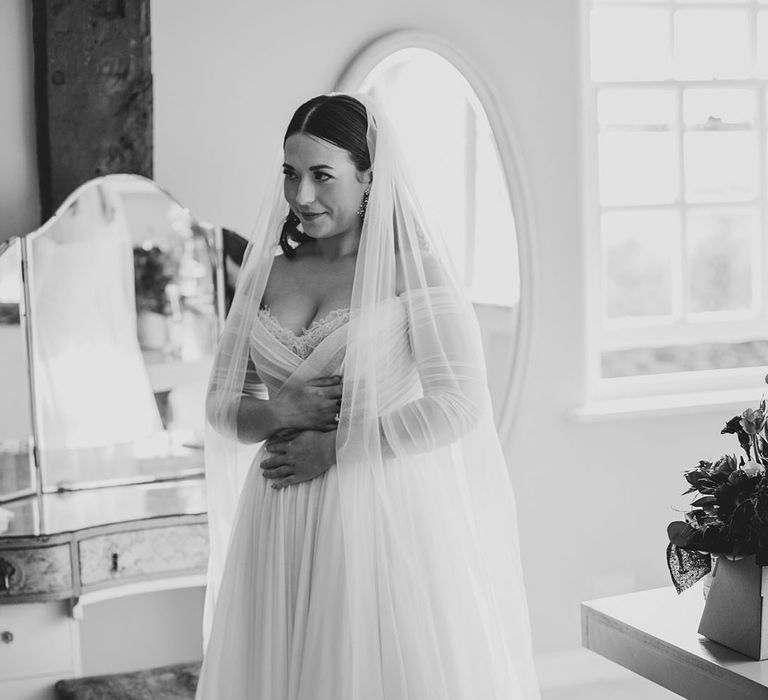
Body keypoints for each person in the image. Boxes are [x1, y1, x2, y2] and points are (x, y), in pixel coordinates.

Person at [195, 93, 540, 700]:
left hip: (378, 512)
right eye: (290, 173)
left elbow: (458, 403)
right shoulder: (266, 275)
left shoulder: (416, 272)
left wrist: (335, 448)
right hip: (277, 518)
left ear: (369, 178)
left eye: (322, 176)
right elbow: (223, 406)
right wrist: (281, 412)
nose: (301, 195)